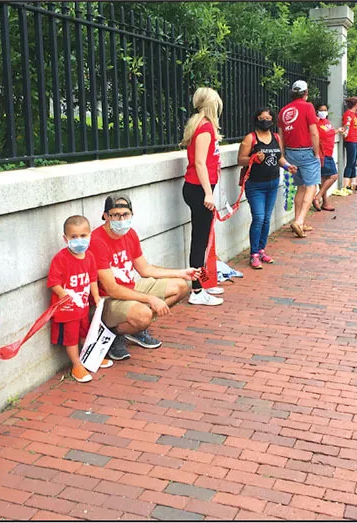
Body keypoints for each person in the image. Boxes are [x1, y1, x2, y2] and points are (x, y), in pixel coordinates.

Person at [90, 195, 200, 360]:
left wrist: (181, 272)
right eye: (115, 215)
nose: (121, 219)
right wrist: (150, 299)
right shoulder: (97, 241)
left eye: (126, 214)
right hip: (108, 300)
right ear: (106, 216)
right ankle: (113, 332)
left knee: (181, 286)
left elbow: (145, 269)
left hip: (130, 289)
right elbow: (111, 289)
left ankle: (134, 327)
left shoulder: (130, 234)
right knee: (144, 314)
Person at [47, 215, 111, 383]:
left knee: (87, 333)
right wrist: (62, 293)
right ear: (65, 238)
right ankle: (76, 365)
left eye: (83, 236)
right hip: (67, 311)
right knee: (71, 338)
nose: (79, 240)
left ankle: (91, 358)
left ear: (89, 235)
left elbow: (92, 279)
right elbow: (53, 281)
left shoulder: (89, 257)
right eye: (74, 237)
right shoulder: (61, 258)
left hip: (82, 308)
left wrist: (96, 296)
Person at [180, 87, 226, 304]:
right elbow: (199, 162)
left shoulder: (200, 125)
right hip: (199, 189)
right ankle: (197, 291)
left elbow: (204, 159)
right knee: (199, 241)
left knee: (201, 239)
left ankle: (204, 282)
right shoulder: (205, 127)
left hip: (198, 188)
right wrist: (208, 193)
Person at [237, 107, 297, 269]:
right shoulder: (250, 138)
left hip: (272, 183)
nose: (265, 121)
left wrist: (288, 166)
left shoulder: (276, 137)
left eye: (268, 118)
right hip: (255, 185)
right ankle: (254, 254)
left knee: (266, 219)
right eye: (262, 118)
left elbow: (280, 158)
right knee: (258, 218)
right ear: (256, 119)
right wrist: (253, 158)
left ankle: (262, 250)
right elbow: (240, 160)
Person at [278, 80, 321, 238]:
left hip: (290, 153)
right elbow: (314, 132)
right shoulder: (308, 107)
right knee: (312, 187)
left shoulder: (283, 110)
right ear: (305, 92)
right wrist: (316, 153)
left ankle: (297, 220)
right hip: (306, 152)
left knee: (301, 187)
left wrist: (282, 156)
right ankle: (300, 221)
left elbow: (281, 136)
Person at [313, 102, 342, 208]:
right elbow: (318, 135)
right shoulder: (316, 122)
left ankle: (325, 202)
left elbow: (328, 132)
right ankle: (318, 197)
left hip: (329, 151)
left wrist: (337, 131)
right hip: (323, 152)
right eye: (321, 110)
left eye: (325, 110)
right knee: (333, 176)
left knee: (324, 178)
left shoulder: (326, 121)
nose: (324, 112)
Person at [340, 96, 357, 193]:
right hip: (350, 139)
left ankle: (353, 183)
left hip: (356, 139)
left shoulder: (355, 115)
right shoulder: (348, 114)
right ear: (356, 104)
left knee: (354, 162)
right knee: (350, 162)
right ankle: (346, 184)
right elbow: (346, 126)